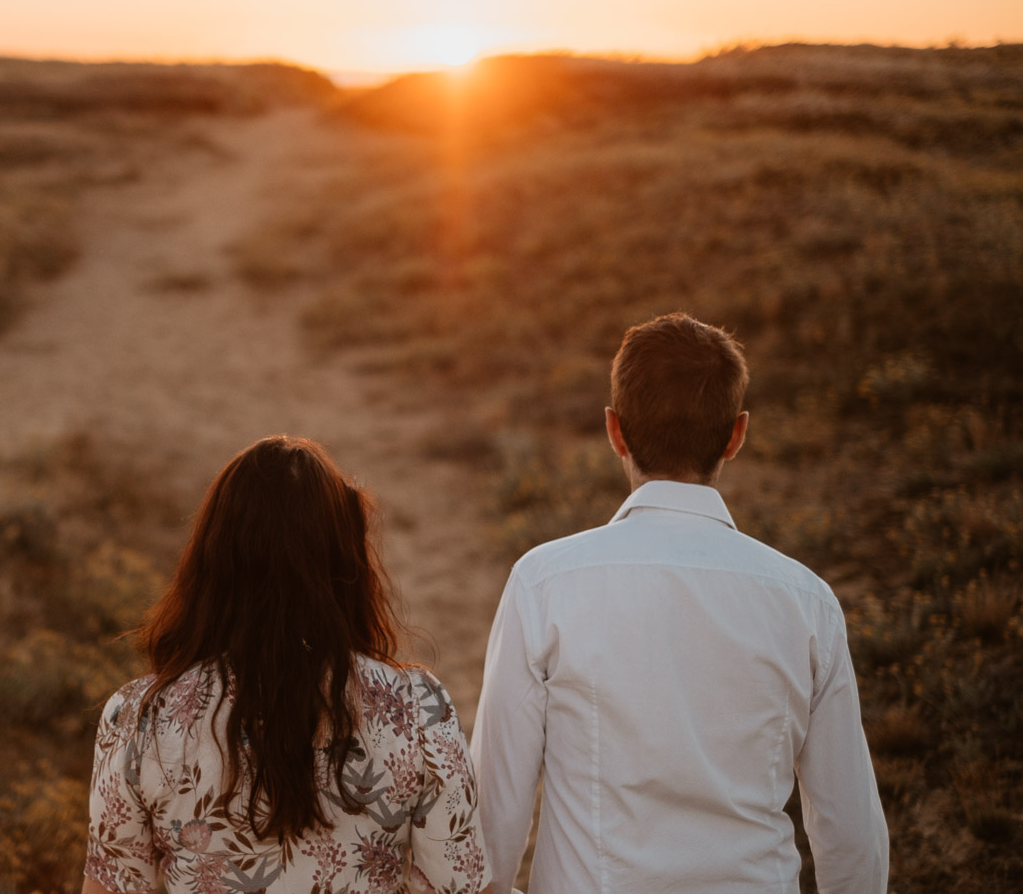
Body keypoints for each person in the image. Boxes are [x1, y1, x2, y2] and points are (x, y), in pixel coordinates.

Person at [472, 314, 888, 893]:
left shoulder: (544, 583)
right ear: (736, 435)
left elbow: (493, 813)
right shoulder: (806, 602)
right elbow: (851, 833)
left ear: (615, 431)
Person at [84, 435, 490, 894]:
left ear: (213, 556)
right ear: (345, 557)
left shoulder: (140, 717)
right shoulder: (417, 708)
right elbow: (458, 886)